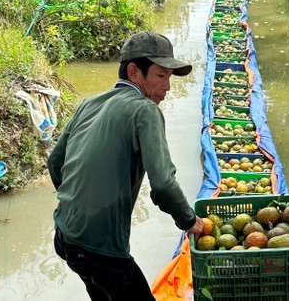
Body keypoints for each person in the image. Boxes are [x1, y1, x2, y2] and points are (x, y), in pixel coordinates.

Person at [48, 31, 203, 301]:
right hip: (101, 250)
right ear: (134, 72)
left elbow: (55, 163)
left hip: (65, 236)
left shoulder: (89, 104)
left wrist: (80, 202)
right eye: (160, 75)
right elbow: (164, 184)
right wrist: (189, 220)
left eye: (169, 77)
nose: (167, 87)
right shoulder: (145, 110)